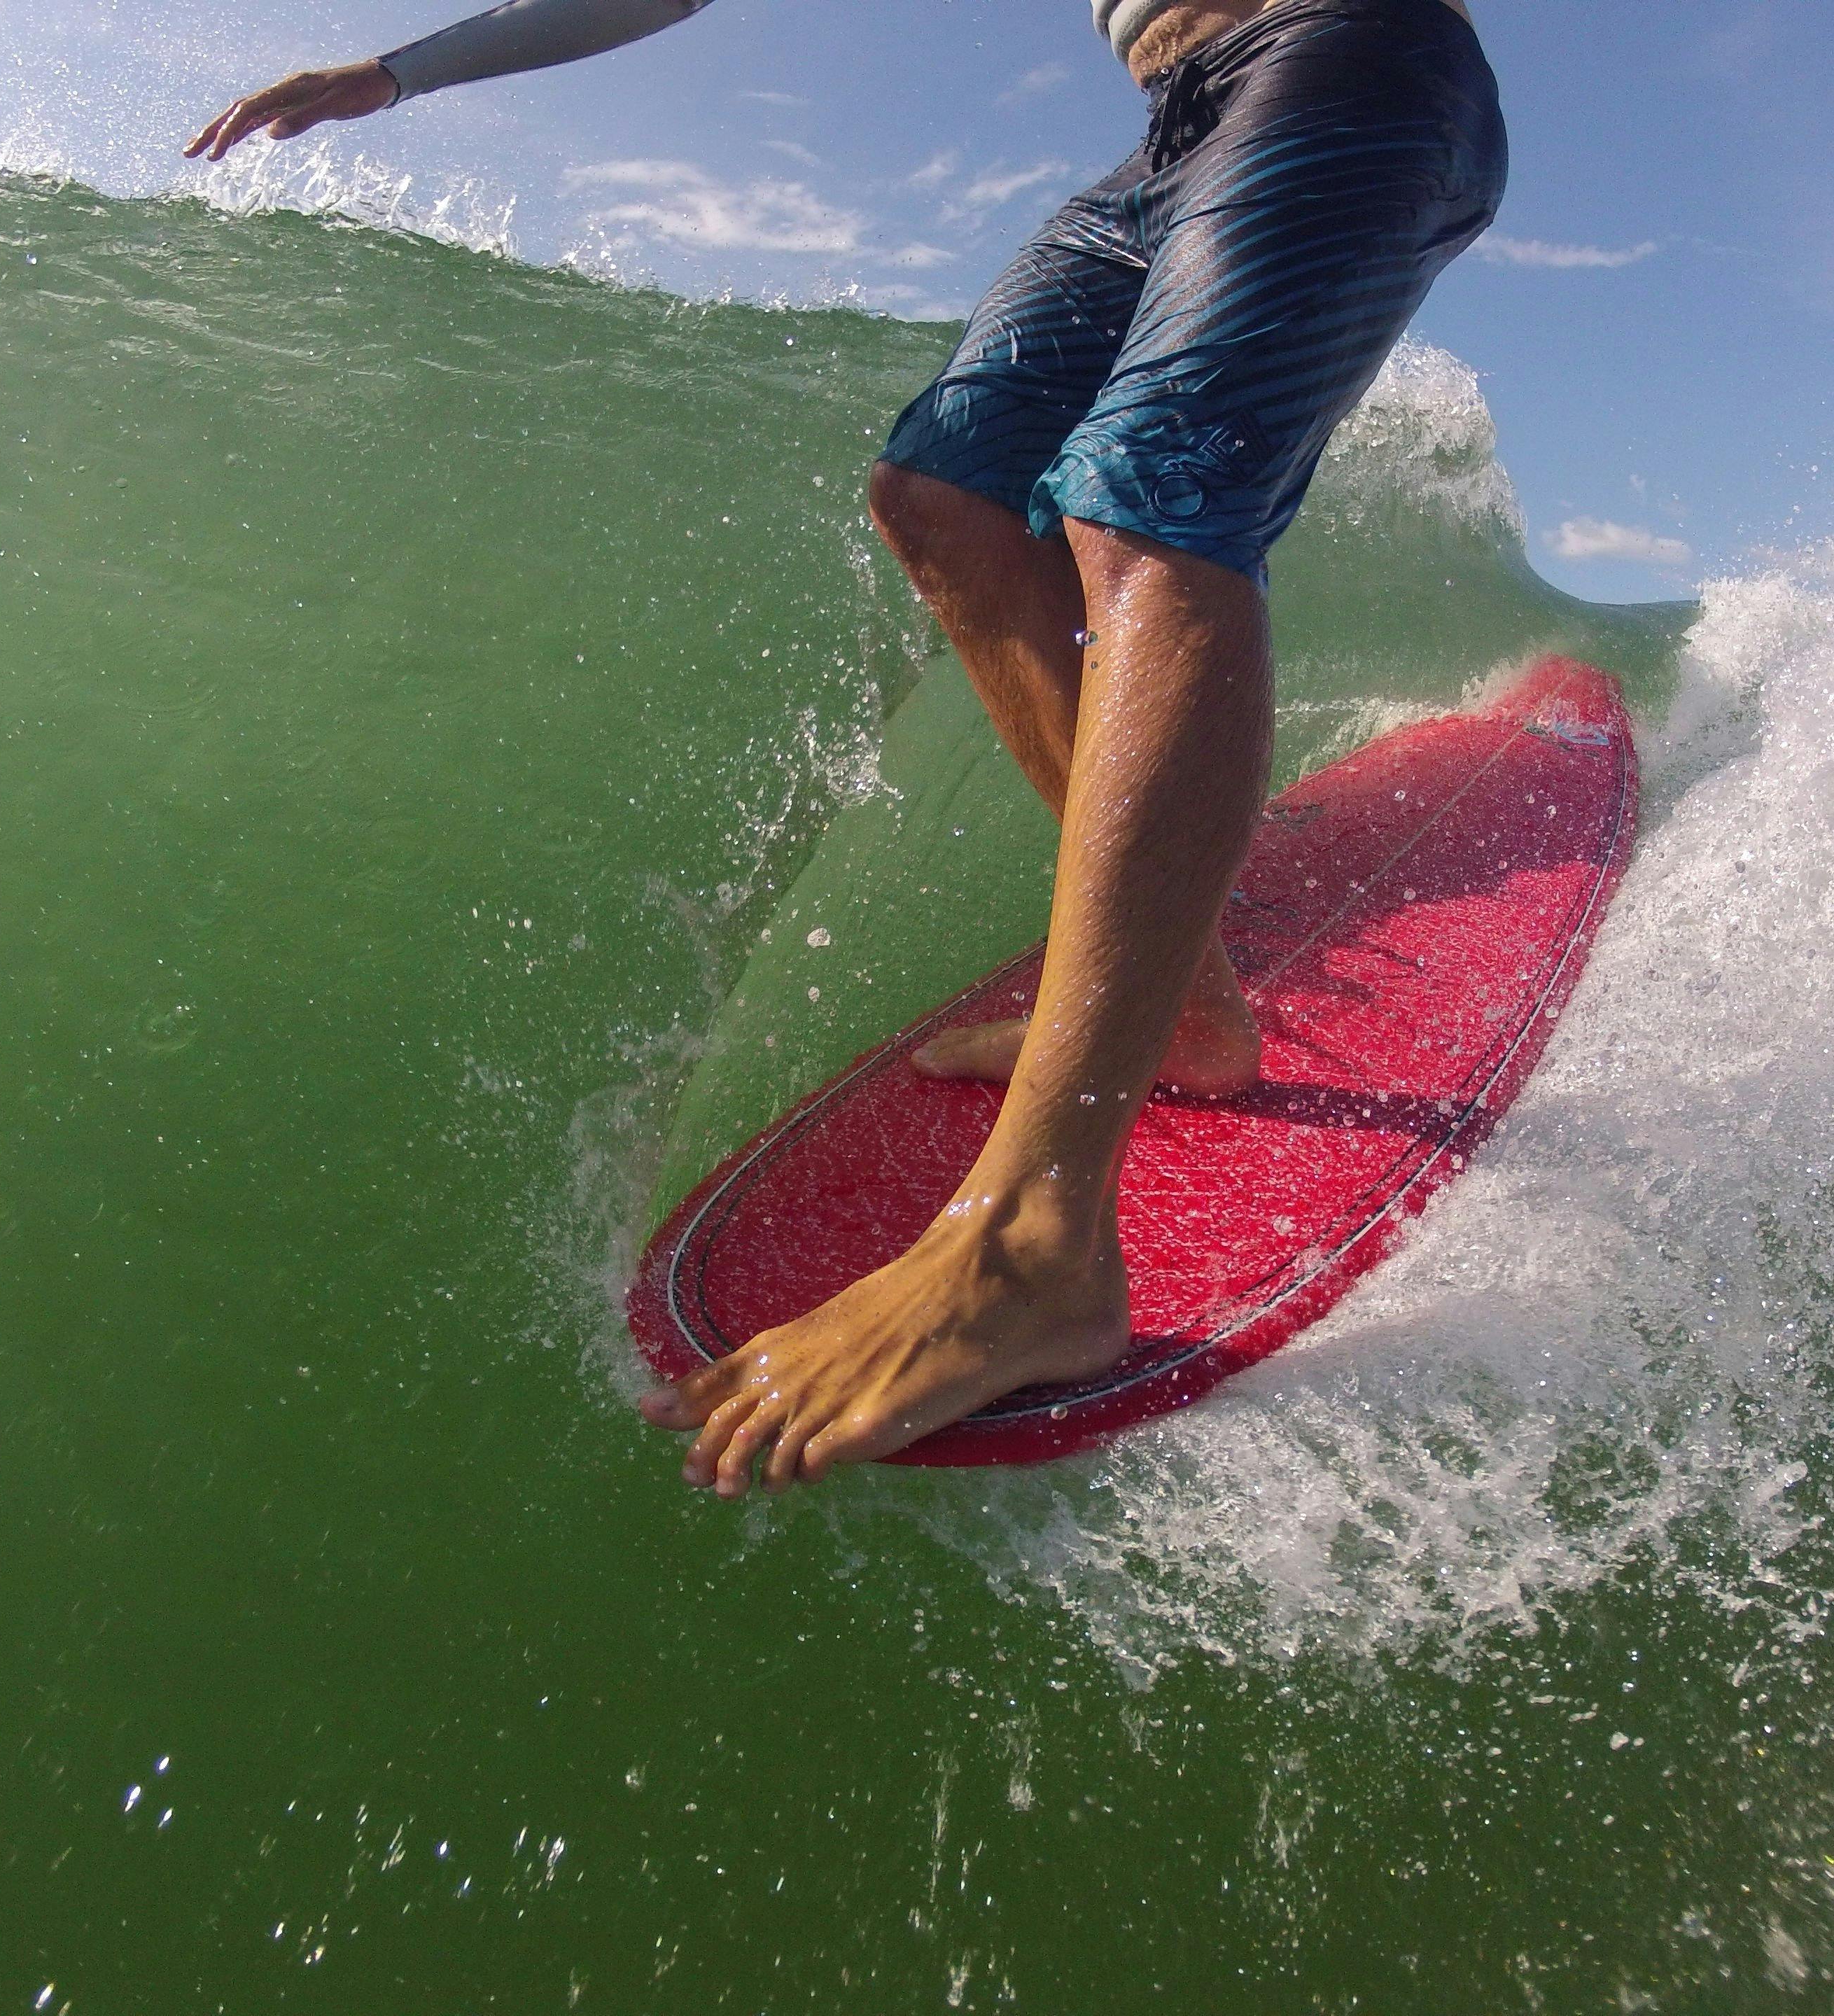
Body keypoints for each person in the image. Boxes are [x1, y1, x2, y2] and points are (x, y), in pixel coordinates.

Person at [190, 0, 1506, 1498]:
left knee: (1144, 511)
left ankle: (1035, 1245)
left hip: (1351, 58)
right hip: (1183, 124)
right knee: (940, 494)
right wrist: (394, 72)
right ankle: (1192, 1011)